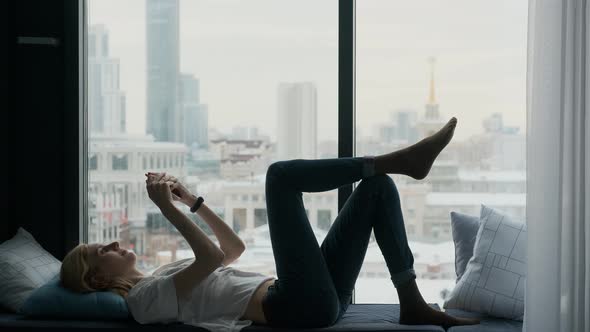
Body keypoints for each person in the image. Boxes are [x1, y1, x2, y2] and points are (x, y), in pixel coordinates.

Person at [60, 117, 480, 331]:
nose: (113, 244)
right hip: (296, 306)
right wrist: (165, 209)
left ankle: (410, 300)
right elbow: (208, 257)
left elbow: (232, 250)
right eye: (103, 251)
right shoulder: (143, 301)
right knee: (279, 176)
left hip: (316, 297)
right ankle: (400, 160)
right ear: (96, 280)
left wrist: (189, 200)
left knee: (377, 189)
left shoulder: (162, 276)